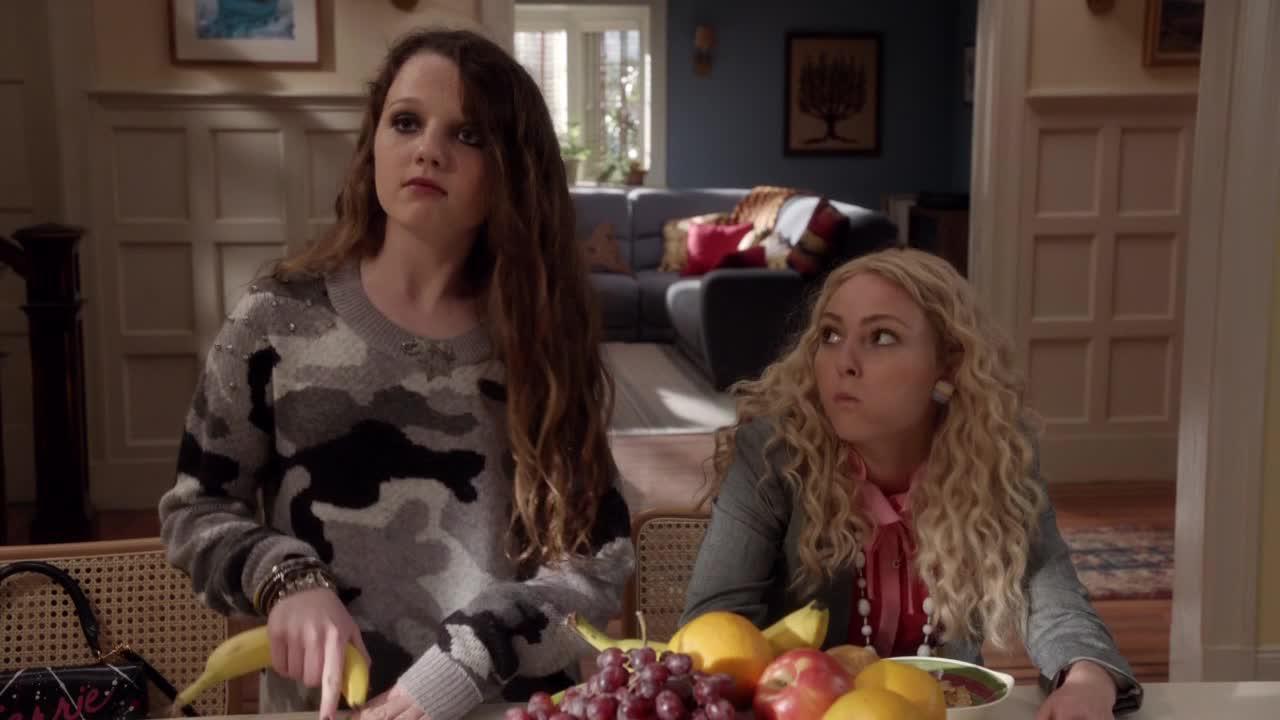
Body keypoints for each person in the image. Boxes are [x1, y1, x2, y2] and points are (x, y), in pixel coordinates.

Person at [159, 28, 632, 720]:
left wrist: (468, 662)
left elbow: (594, 563)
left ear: (512, 169)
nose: (428, 150)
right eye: (406, 122)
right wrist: (286, 578)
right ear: (372, 143)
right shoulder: (275, 318)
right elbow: (195, 509)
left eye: (468, 135)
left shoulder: (546, 341)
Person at [681, 248, 1142, 719]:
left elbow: (1054, 601)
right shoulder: (773, 454)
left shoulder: (995, 454)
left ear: (948, 364)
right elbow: (715, 629)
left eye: (881, 337)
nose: (844, 362)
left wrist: (1087, 679)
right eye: (831, 335)